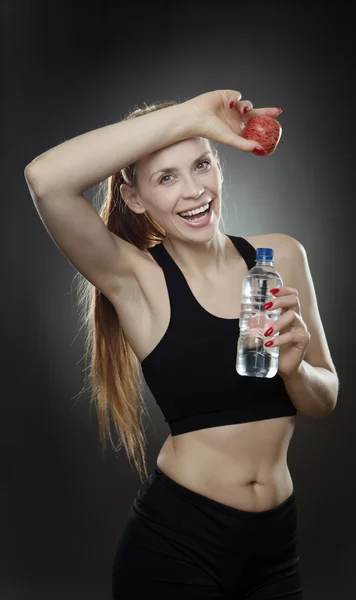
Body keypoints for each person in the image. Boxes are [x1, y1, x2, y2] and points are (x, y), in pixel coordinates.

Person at [24, 89, 339, 599]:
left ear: (220, 166)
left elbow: (324, 400)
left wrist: (296, 370)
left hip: (276, 548)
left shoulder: (279, 256)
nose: (193, 191)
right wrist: (191, 117)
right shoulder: (136, 279)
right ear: (134, 198)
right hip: (179, 545)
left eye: (202, 164)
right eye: (166, 178)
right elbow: (45, 179)